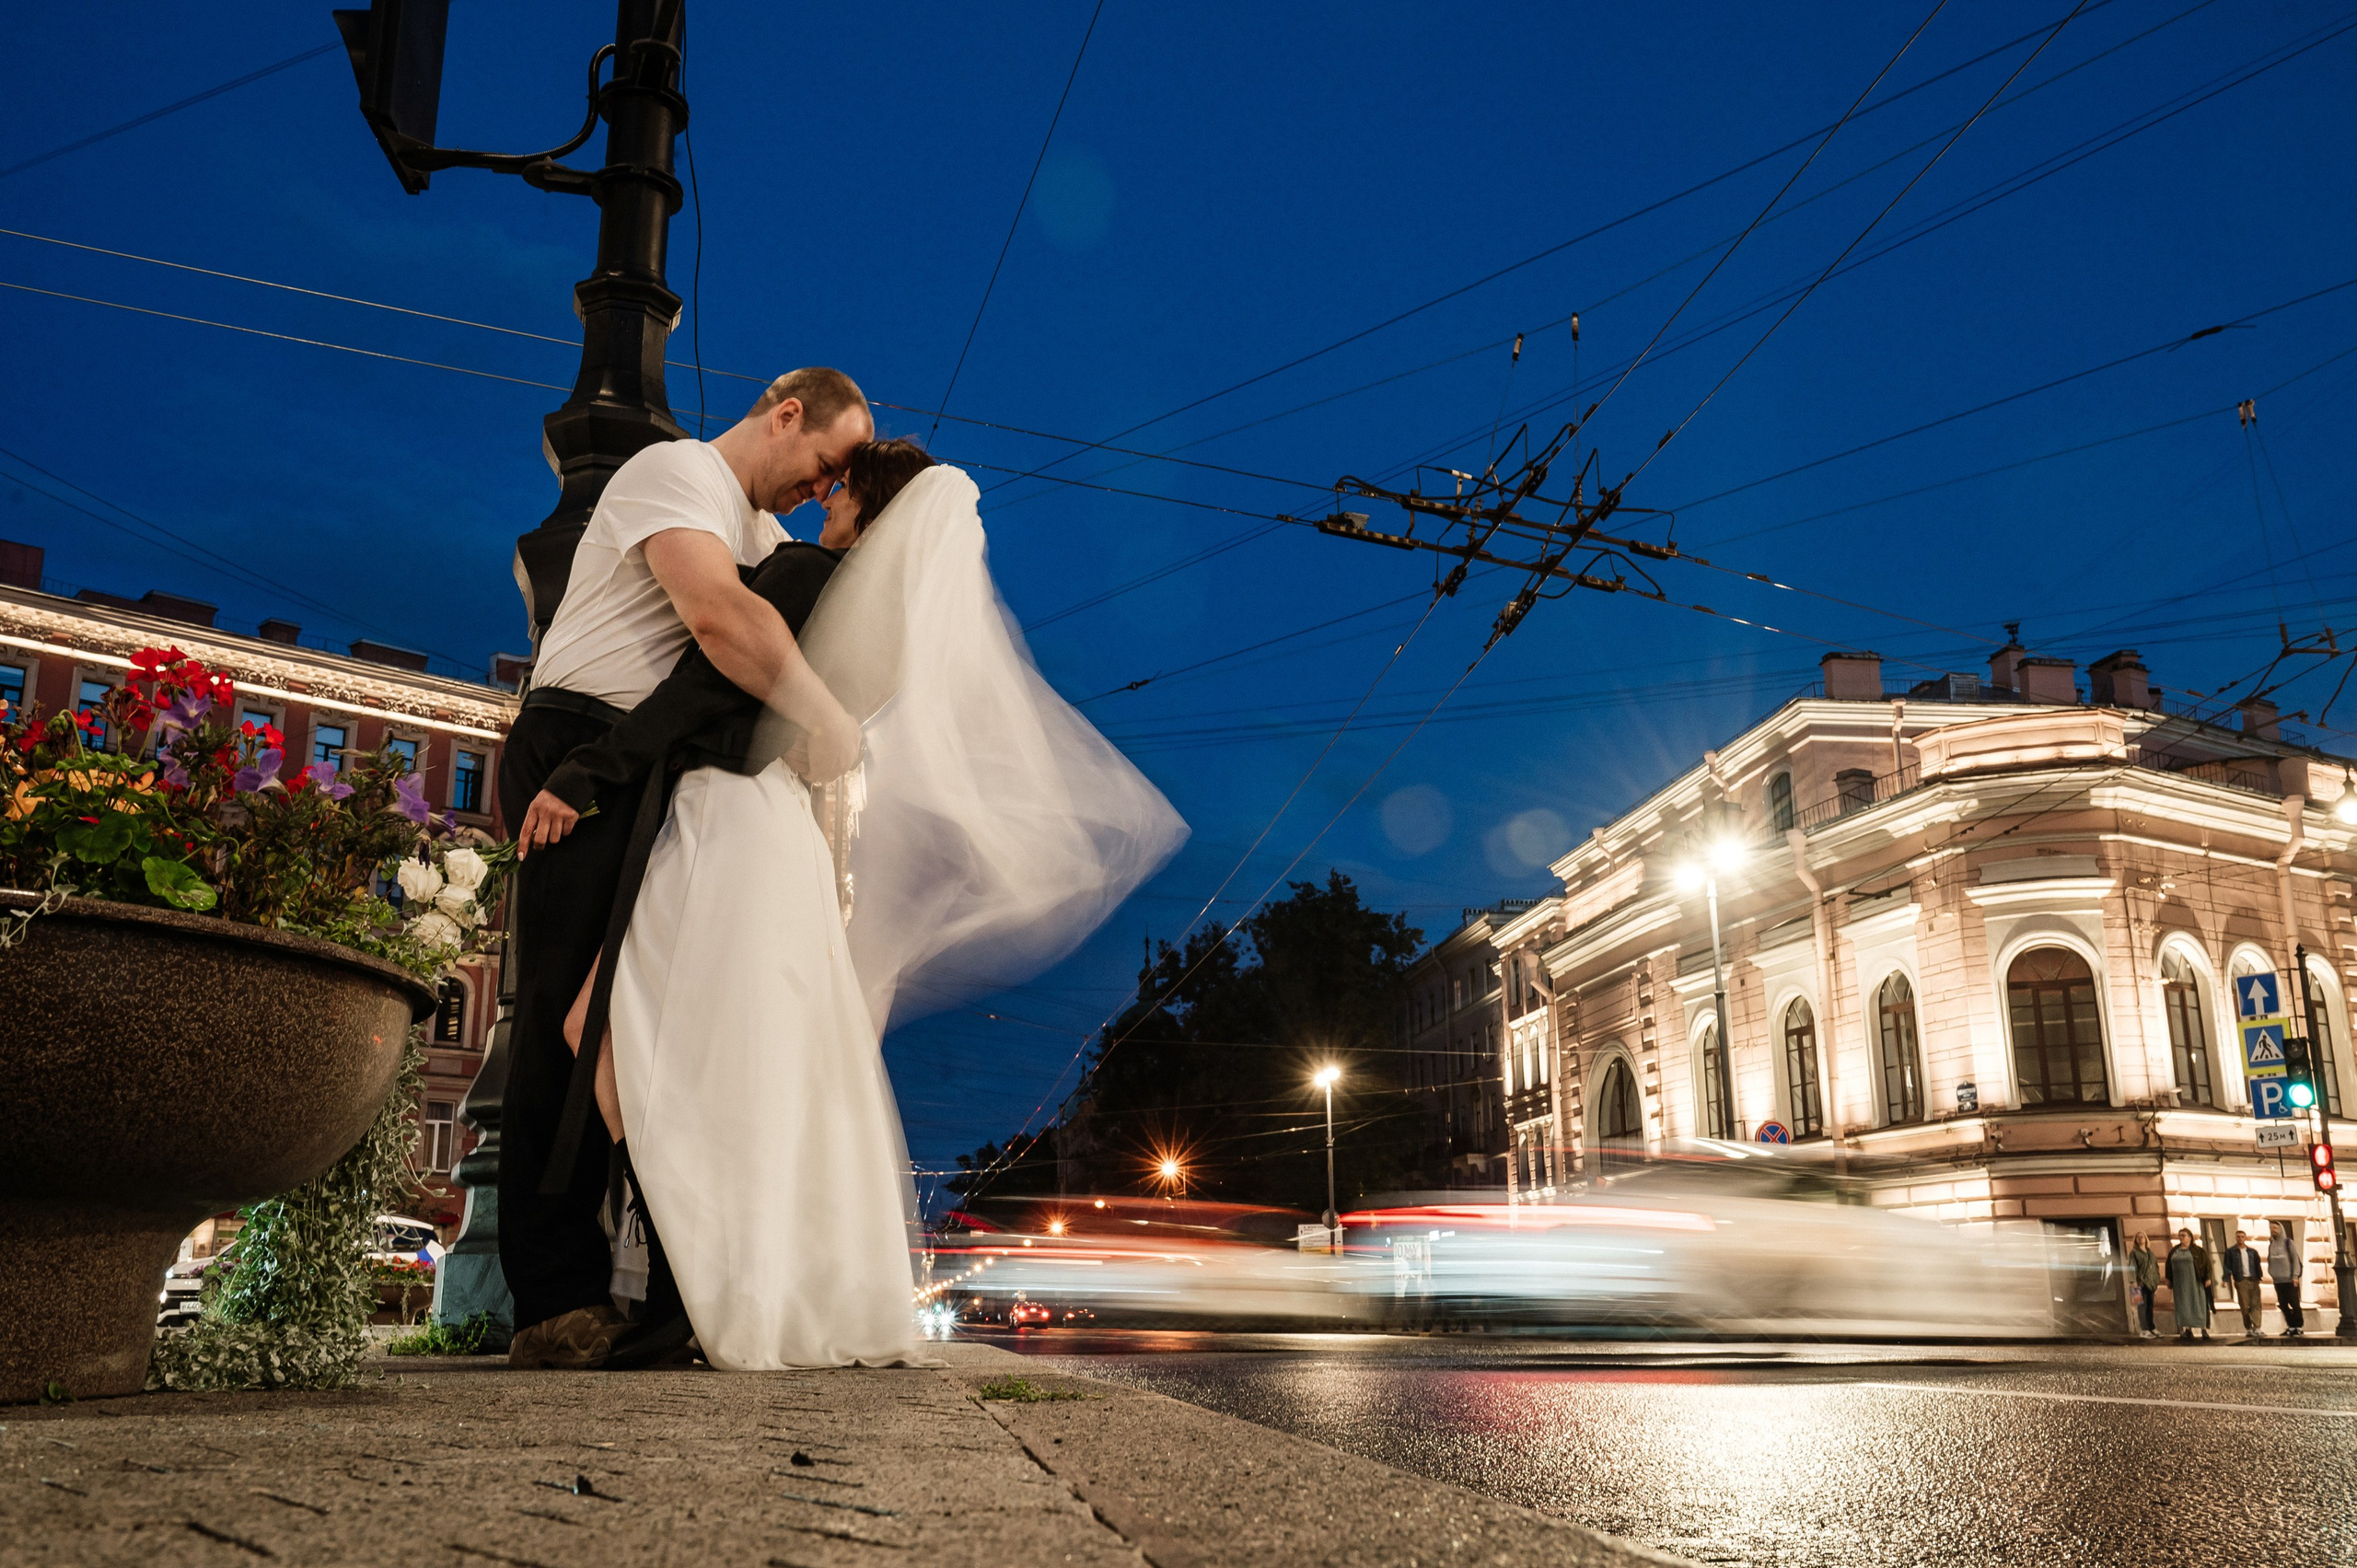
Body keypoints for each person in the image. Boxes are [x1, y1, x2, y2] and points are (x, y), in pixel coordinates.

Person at [522, 456, 1185, 1369]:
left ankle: (686, 1291)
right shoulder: (891, 635)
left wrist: (584, 769)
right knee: (732, 1065)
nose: (821, 505)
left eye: (837, 491)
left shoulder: (798, 576)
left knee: (606, 1041)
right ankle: (717, 1283)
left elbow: (692, 698)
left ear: (865, 504)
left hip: (716, 825)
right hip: (781, 841)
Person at [498, 369, 873, 1372]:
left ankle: (650, 1280)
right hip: (583, 743)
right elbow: (718, 624)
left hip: (657, 769)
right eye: (824, 462)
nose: (817, 485)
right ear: (785, 412)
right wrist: (832, 722)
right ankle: (551, 1294)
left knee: (641, 1026)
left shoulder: (764, 538)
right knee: (563, 1018)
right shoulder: (676, 471)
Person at [2165, 1227, 2212, 1342]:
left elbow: (2207, 1264)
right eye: (2180, 1235)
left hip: (2194, 1281)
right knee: (2183, 1305)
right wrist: (2168, 1278)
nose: (2181, 1237)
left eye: (2183, 1235)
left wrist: (2208, 1277)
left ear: (2190, 1237)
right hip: (2179, 1284)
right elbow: (2168, 1264)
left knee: (2198, 1304)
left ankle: (2203, 1329)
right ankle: (2187, 1329)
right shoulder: (2174, 1251)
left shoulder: (2198, 1251)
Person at [2223, 1228, 2266, 1337]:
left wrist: (2259, 1276)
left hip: (2253, 1279)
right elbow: (2227, 1266)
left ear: (2245, 1238)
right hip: (2241, 1280)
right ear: (2235, 1238)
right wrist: (2225, 1279)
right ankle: (2248, 1328)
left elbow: (2257, 1264)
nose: (2240, 1239)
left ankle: (2257, 1327)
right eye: (2238, 1237)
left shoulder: (2252, 1252)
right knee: (2244, 1305)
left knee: (2256, 1304)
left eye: (2242, 1237)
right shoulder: (2231, 1251)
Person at [2268, 1220, 2306, 1338]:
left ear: (2281, 1229)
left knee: (2294, 1303)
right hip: (2278, 1280)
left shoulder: (2288, 1243)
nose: (2273, 1230)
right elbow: (2269, 1260)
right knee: (2283, 1304)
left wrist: (2295, 1276)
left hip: (2289, 1279)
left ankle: (2298, 1326)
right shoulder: (2272, 1244)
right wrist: (2272, 1273)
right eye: (2271, 1228)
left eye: (2275, 1228)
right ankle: (2291, 1325)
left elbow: (2295, 1259)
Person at [2128, 1233, 2161, 1338]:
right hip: (2139, 1284)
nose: (2140, 1238)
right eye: (2138, 1237)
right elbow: (2132, 1267)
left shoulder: (2150, 1253)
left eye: (2142, 1236)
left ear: (2146, 1239)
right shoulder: (2134, 1253)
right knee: (2141, 1307)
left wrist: (2156, 1281)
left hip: (2151, 1284)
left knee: (2150, 1307)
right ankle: (2144, 1330)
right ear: (2136, 1240)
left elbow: (2155, 1267)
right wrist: (2133, 1282)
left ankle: (2152, 1327)